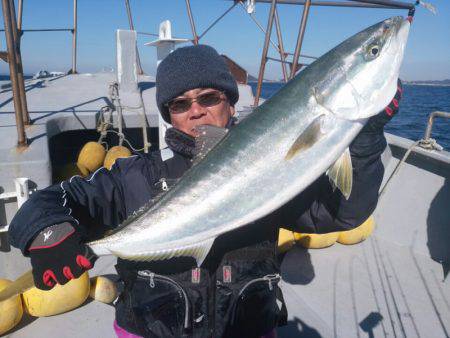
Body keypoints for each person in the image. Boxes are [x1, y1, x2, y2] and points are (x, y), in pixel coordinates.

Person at [9, 44, 402, 338]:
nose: (195, 111)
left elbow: (343, 214)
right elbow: (55, 200)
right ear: (169, 115)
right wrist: (47, 231)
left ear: (230, 104)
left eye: (209, 98)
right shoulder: (137, 175)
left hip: (248, 328)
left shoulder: (273, 167)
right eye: (180, 104)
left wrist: (365, 138)